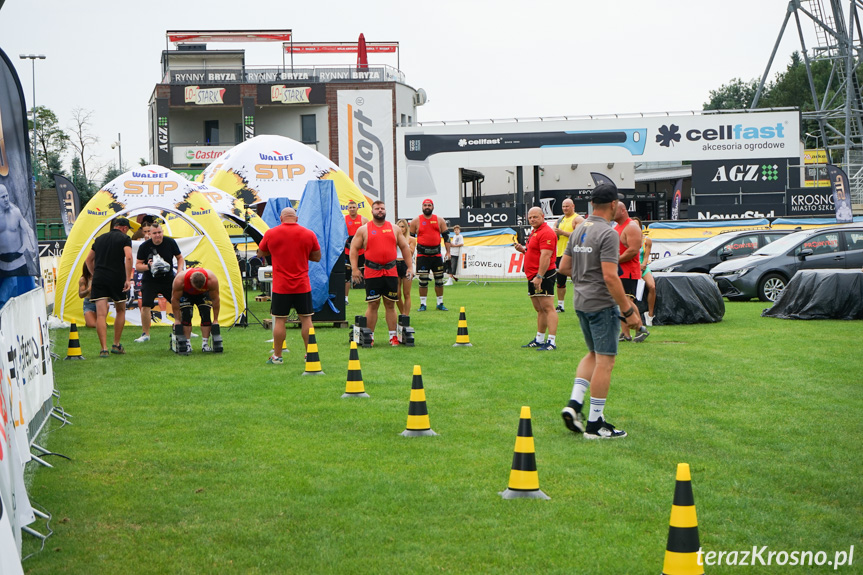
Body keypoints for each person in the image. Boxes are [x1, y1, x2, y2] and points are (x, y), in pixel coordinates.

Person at [557, 184, 643, 439]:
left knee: (593, 353)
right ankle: (595, 423)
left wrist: (585, 278)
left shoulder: (579, 228)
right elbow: (610, 276)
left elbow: (563, 267)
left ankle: (574, 404)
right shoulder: (608, 233)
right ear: (614, 204)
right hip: (601, 303)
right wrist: (628, 311)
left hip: (580, 301)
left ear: (592, 204)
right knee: (606, 360)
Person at [257, 207, 321, 364]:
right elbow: (317, 257)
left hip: (281, 286)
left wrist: (275, 251)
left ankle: (277, 356)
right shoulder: (308, 233)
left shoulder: (271, 233)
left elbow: (260, 253)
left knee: (279, 320)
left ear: (281, 218)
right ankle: (310, 354)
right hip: (302, 285)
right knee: (306, 320)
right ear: (296, 218)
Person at [350, 201, 412, 346]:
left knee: (390, 304)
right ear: (372, 211)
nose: (380, 210)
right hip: (372, 271)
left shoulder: (394, 228)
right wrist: (354, 269)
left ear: (385, 211)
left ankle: (393, 337)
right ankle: (368, 336)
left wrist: (409, 267)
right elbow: (354, 248)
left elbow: (404, 247)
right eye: (377, 208)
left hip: (390, 270)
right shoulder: (364, 229)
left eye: (382, 208)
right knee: (373, 304)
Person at [85, 217, 133, 357]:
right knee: (120, 310)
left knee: (100, 314)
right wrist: (128, 279)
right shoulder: (124, 239)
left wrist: (95, 274)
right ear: (124, 228)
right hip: (116, 277)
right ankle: (116, 344)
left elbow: (88, 260)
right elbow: (128, 257)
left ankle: (103, 349)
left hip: (100, 278)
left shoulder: (99, 239)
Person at [513, 206, 559, 351]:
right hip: (532, 275)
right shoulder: (535, 232)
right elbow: (535, 252)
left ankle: (551, 341)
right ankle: (539, 339)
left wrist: (539, 276)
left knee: (548, 307)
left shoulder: (546, 233)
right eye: (530, 217)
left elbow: (546, 256)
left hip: (542, 275)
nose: (532, 219)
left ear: (542, 216)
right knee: (539, 309)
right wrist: (523, 250)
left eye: (535, 217)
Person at [134, 222, 184, 344]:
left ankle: (181, 328)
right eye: (155, 233)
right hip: (150, 280)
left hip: (168, 278)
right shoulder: (144, 246)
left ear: (162, 232)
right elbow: (138, 266)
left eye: (159, 232)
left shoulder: (170, 242)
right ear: (150, 234)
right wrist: (149, 266)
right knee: (145, 305)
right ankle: (145, 334)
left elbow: (180, 258)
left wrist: (179, 272)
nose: (158, 235)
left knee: (179, 302)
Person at [614, 202, 648, 343]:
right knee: (620, 302)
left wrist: (615, 260)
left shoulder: (631, 227)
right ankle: (625, 333)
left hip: (628, 271)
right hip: (619, 271)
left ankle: (641, 329)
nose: (610, 213)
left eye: (613, 210)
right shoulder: (617, 227)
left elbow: (633, 251)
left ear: (622, 211)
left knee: (627, 301)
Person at [409, 199, 450, 311]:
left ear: (433, 207)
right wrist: (409, 253)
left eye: (429, 205)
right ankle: (423, 304)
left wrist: (448, 252)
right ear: (422, 207)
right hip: (422, 256)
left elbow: (446, 237)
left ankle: (440, 303)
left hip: (436, 255)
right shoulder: (415, 221)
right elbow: (410, 239)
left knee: (439, 280)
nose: (427, 207)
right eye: (425, 205)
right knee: (423, 281)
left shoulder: (439, 220)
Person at [553, 198, 584, 313]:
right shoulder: (560, 219)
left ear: (573, 206)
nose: (565, 208)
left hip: (574, 254)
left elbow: (579, 235)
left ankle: (582, 303)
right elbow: (554, 234)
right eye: (563, 206)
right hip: (560, 253)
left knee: (578, 280)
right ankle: (560, 305)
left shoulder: (578, 219)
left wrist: (562, 233)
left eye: (567, 206)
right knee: (560, 282)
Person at [0, 183, 37, 276]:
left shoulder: (16, 212)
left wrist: (23, 248)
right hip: (2, 266)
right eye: (2, 197)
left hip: (20, 263)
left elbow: (27, 231)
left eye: (6, 196)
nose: (6, 199)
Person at [632, 217, 656, 326]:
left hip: (643, 267)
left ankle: (650, 315)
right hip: (632, 267)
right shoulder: (627, 239)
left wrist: (643, 265)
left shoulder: (647, 240)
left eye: (637, 225)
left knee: (652, 286)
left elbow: (646, 256)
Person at [344, 200, 368, 305]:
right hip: (347, 251)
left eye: (354, 207)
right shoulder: (343, 220)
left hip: (361, 251)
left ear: (357, 208)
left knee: (367, 273)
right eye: (350, 207)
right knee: (346, 275)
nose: (352, 209)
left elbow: (368, 235)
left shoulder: (363, 220)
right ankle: (345, 298)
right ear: (347, 209)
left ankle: (369, 295)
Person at [395, 219, 416, 315]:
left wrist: (404, 243)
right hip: (395, 264)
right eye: (399, 226)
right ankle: (403, 313)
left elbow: (411, 253)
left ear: (406, 228)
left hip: (406, 264)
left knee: (406, 293)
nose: (401, 228)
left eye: (403, 226)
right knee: (397, 294)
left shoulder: (411, 239)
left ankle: (406, 315)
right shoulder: (393, 238)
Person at [77, 263, 97, 328]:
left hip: (99, 302)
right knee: (92, 325)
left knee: (107, 305)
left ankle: (98, 320)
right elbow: (81, 295)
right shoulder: (83, 279)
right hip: (89, 303)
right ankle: (92, 320)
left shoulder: (98, 277)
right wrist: (88, 290)